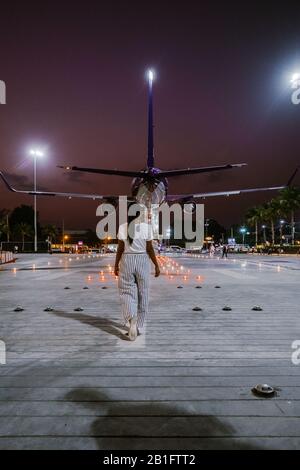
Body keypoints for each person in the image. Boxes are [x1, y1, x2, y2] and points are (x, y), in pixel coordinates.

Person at [114, 204, 160, 341]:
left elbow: (120, 248)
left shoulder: (123, 227)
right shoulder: (146, 227)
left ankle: (131, 318)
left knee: (126, 291)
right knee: (143, 292)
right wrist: (156, 265)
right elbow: (150, 249)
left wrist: (116, 265)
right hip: (142, 260)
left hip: (127, 260)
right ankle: (138, 324)